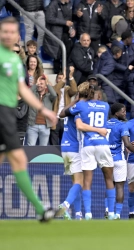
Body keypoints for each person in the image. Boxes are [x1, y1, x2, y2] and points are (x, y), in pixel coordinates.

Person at [0, 16, 58, 222]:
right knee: (19, 160)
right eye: (4, 31)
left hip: (6, 114)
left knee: (15, 160)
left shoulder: (15, 60)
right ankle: (41, 210)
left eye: (11, 32)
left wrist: (46, 110)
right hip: (2, 112)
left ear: (17, 36)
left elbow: (22, 90)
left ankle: (41, 211)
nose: (7, 35)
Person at [64, 82, 115, 220]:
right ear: (99, 95)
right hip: (103, 144)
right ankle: (111, 213)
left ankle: (87, 214)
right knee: (109, 179)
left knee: (86, 181)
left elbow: (65, 113)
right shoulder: (105, 106)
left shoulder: (81, 106)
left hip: (87, 145)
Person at [106, 103, 134, 219]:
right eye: (122, 111)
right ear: (116, 113)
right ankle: (117, 214)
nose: (124, 113)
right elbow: (127, 143)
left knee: (109, 185)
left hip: (106, 159)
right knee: (120, 187)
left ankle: (107, 210)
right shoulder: (122, 125)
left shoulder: (103, 124)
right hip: (119, 159)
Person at [44, 0, 76, 74]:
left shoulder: (69, 4)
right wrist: (64, 22)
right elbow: (49, 18)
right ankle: (57, 75)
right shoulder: (54, 4)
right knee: (57, 57)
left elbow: (70, 20)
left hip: (67, 34)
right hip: (56, 34)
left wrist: (72, 28)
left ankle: (66, 76)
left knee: (67, 56)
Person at [50, 66, 78, 146]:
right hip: (55, 120)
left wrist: (70, 77)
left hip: (65, 120)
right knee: (54, 144)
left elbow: (75, 90)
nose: (61, 80)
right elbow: (55, 90)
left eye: (62, 78)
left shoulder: (67, 90)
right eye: (59, 78)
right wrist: (63, 79)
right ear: (56, 80)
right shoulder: (53, 88)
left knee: (64, 142)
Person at [26, 75, 57, 146]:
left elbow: (54, 95)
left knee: (43, 150)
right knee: (31, 148)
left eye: (41, 84)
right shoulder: (33, 94)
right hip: (32, 126)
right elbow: (27, 93)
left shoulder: (49, 96)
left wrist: (48, 83)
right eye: (38, 84)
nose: (39, 85)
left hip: (45, 126)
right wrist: (36, 83)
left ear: (46, 86)